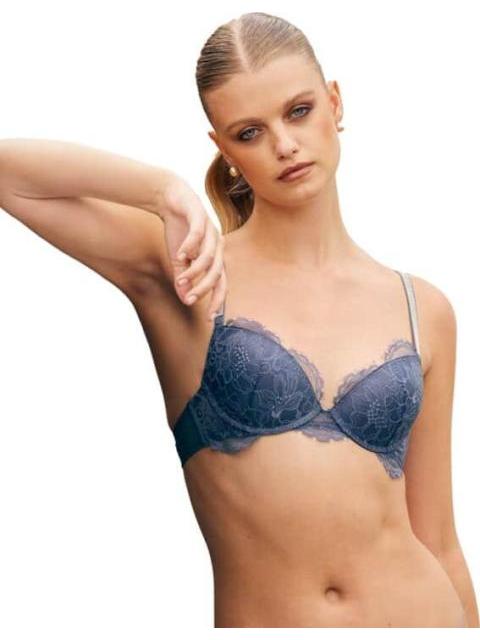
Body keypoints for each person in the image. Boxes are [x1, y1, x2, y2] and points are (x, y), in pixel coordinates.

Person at [0, 10, 478, 629]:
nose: (284, 144)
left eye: (299, 111)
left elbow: (439, 539)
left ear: (335, 103)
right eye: (249, 132)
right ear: (223, 149)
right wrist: (162, 190)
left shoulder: (422, 308)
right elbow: (10, 174)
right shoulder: (189, 272)